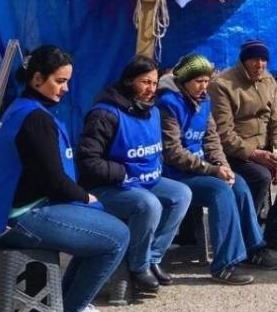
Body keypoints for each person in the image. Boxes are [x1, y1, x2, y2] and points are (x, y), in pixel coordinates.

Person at [0, 46, 129, 312]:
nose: (65, 89)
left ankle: (60, 304)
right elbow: (54, 181)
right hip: (20, 219)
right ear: (37, 79)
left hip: (12, 212)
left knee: (98, 228)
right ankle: (70, 311)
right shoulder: (35, 118)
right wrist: (85, 197)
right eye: (60, 81)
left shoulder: (22, 108)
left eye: (67, 81)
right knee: (116, 236)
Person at [157, 54, 277, 285]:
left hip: (202, 169)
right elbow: (172, 152)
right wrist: (212, 171)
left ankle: (253, 247)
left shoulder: (204, 102)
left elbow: (212, 140)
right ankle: (224, 264)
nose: (204, 87)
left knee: (239, 184)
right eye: (198, 82)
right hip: (175, 174)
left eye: (206, 81)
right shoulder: (168, 104)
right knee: (219, 191)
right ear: (184, 81)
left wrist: (223, 166)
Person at [78, 55, 192, 294]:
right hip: (108, 187)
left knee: (181, 193)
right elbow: (88, 161)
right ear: (129, 81)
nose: (151, 88)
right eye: (145, 82)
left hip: (145, 181)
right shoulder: (105, 114)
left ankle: (152, 257)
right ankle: (138, 266)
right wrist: (120, 172)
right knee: (148, 205)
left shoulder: (152, 111)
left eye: (154, 82)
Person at [209, 39, 277, 254]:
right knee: (260, 175)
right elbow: (223, 133)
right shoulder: (222, 85)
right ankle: (247, 238)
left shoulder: (269, 81)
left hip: (267, 148)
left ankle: (276, 231)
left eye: (264, 59)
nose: (260, 64)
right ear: (244, 61)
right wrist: (254, 153)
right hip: (236, 152)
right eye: (255, 59)